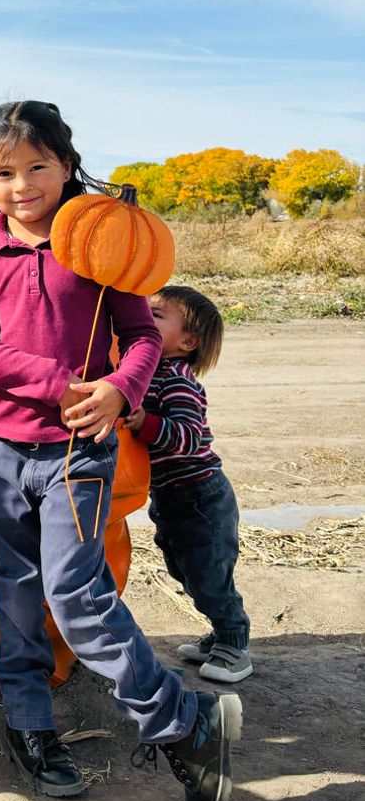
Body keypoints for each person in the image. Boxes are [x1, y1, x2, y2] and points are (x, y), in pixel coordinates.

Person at [0, 100, 242, 801]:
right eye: (5, 172)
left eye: (38, 167)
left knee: (78, 600)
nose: (23, 185)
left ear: (67, 167)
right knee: (17, 595)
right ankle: (30, 727)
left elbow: (142, 337)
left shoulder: (101, 249)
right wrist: (57, 383)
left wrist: (118, 390)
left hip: (80, 454)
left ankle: (182, 723)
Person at [125, 285, 252, 683]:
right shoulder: (149, 372)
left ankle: (235, 643)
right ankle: (220, 632)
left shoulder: (176, 379)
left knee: (208, 574)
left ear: (187, 342)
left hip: (200, 496)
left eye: (157, 315)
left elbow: (187, 437)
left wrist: (145, 423)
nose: (145, 317)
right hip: (171, 496)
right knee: (184, 570)